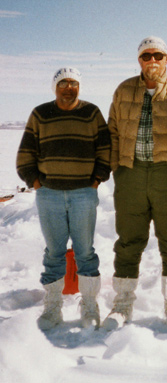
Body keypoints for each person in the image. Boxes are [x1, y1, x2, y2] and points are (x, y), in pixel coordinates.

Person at [104, 36, 167, 330]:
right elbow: (112, 131)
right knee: (128, 239)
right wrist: (116, 169)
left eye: (158, 55)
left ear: (166, 59)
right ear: (140, 60)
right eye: (147, 56)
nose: (153, 61)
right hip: (131, 174)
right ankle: (122, 304)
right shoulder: (124, 89)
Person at [16, 67, 111, 330]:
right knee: (54, 253)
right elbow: (26, 153)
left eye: (74, 83)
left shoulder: (91, 113)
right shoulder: (40, 114)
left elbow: (105, 149)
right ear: (54, 86)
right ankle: (53, 306)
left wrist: (95, 181)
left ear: (79, 87)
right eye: (63, 83)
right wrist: (35, 182)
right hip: (49, 195)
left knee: (85, 252)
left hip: (83, 193)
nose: (69, 87)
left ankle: (90, 305)